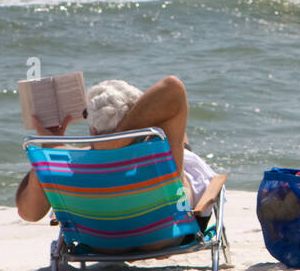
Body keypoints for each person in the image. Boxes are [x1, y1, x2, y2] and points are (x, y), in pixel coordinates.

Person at [15, 75, 217, 229]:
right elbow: (172, 87)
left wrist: (51, 144)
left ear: (92, 130)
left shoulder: (67, 164)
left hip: (98, 241)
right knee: (177, 138)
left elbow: (29, 213)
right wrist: (125, 138)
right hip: (165, 233)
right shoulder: (156, 162)